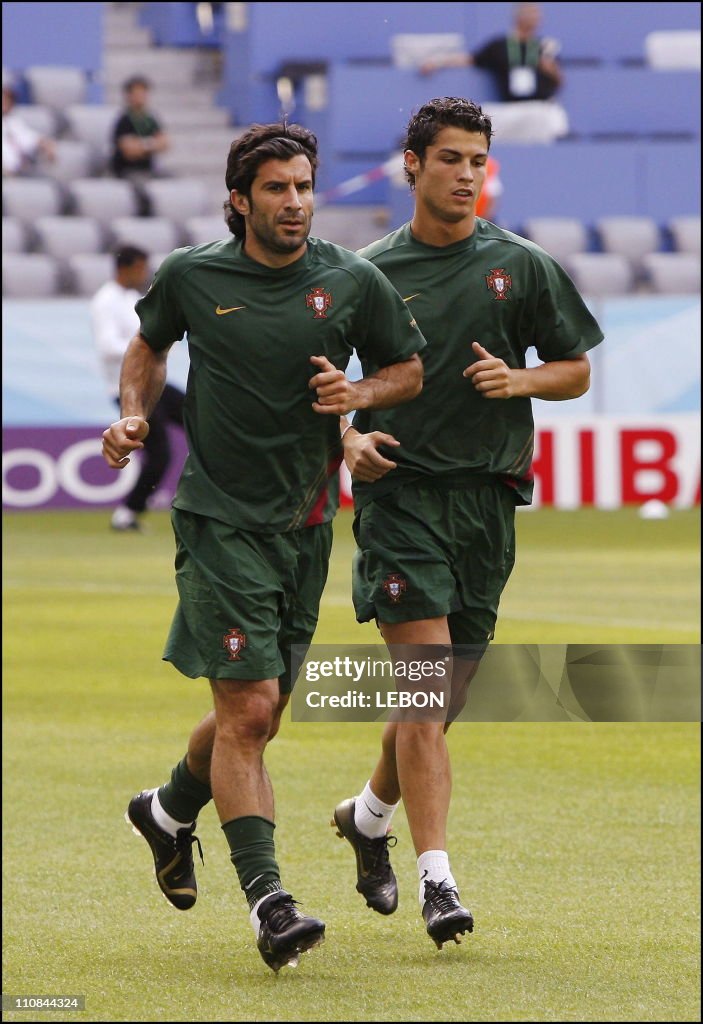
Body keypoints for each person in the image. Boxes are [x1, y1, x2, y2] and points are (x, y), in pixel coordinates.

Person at [101, 122, 425, 972]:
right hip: (218, 521)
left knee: (265, 711)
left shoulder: (350, 280)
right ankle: (269, 902)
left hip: (307, 525)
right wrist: (135, 409)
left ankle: (168, 811)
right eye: (277, 188)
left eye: (304, 186)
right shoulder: (191, 274)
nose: (296, 202)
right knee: (247, 712)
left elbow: (408, 370)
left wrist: (356, 393)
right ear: (241, 199)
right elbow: (147, 345)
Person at [330, 96, 604, 950]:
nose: (465, 175)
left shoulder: (520, 267)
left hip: (486, 504)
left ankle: (367, 815)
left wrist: (518, 383)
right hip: (402, 499)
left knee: (440, 698)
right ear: (410, 165)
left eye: (477, 161)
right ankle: (437, 881)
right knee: (423, 686)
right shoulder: (364, 272)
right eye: (449, 159)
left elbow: (574, 370)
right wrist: (347, 438)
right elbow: (327, 384)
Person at [90, 245, 185, 532]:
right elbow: (107, 346)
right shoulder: (105, 300)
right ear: (126, 268)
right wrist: (143, 349)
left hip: (153, 382)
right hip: (128, 387)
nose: (144, 274)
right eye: (140, 268)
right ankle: (126, 514)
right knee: (160, 453)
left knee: (204, 417)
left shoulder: (133, 298)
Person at [420, 4, 568, 143]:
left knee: (551, 115)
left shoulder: (544, 47)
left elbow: (559, 82)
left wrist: (551, 68)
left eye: (536, 15)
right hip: (510, 108)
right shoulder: (499, 45)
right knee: (481, 120)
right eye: (529, 14)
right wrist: (438, 62)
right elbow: (470, 59)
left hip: (538, 107)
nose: (534, 19)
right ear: (518, 17)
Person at [110, 76, 169, 210]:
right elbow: (129, 151)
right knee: (144, 195)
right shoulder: (124, 120)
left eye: (143, 93)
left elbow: (165, 143)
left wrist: (142, 145)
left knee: (174, 183)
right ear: (128, 96)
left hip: (148, 170)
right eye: (137, 93)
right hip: (128, 171)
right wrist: (152, 144)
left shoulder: (150, 119)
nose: (141, 97)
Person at [2, 84, 56, 176]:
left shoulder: (14, 123)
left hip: (15, 172)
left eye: (7, 102)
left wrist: (46, 145)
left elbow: (31, 139)